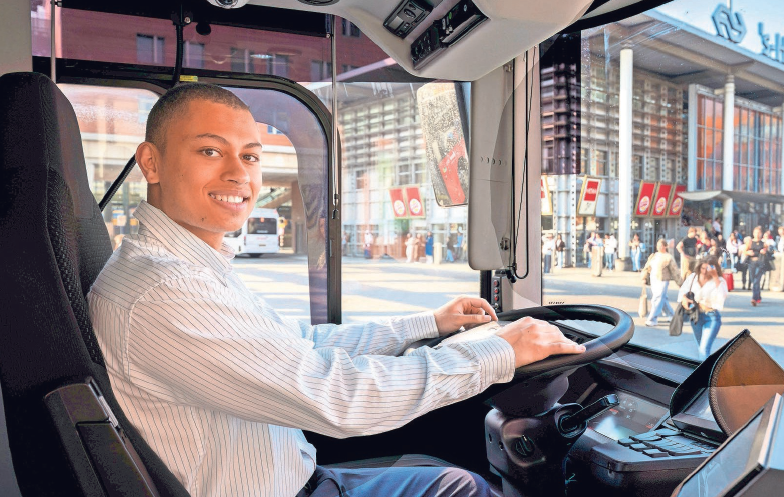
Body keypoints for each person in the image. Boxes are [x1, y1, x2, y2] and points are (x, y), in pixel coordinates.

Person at [87, 84, 587, 497]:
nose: (238, 174)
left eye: (251, 156)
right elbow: (337, 398)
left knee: (455, 483)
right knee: (464, 490)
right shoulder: (166, 290)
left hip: (300, 479)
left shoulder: (189, 269)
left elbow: (301, 346)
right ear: (150, 163)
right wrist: (498, 352)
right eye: (210, 150)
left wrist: (427, 326)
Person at [678, 256, 728, 360]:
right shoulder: (693, 277)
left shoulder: (720, 281)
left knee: (704, 349)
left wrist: (715, 277)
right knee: (701, 348)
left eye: (708, 269)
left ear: (714, 268)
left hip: (712, 317)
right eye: (703, 268)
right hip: (696, 316)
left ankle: (703, 374)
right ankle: (708, 369)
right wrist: (684, 299)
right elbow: (683, 290)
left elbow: (721, 297)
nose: (705, 272)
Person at [641, 239, 683, 327]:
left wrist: (680, 283)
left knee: (657, 298)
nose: (659, 247)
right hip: (654, 279)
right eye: (658, 245)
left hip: (663, 280)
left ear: (665, 246)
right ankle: (672, 315)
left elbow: (675, 271)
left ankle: (652, 319)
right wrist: (644, 277)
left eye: (661, 245)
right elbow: (647, 267)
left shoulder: (668, 257)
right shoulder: (654, 256)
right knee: (662, 299)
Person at [745, 226, 771, 306]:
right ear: (753, 233)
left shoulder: (763, 243)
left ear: (761, 234)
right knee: (754, 280)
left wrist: (765, 251)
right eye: (756, 233)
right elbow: (745, 251)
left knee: (757, 280)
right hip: (752, 262)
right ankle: (758, 296)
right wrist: (748, 252)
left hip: (760, 263)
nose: (757, 234)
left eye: (758, 233)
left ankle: (754, 298)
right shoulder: (750, 242)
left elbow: (770, 252)